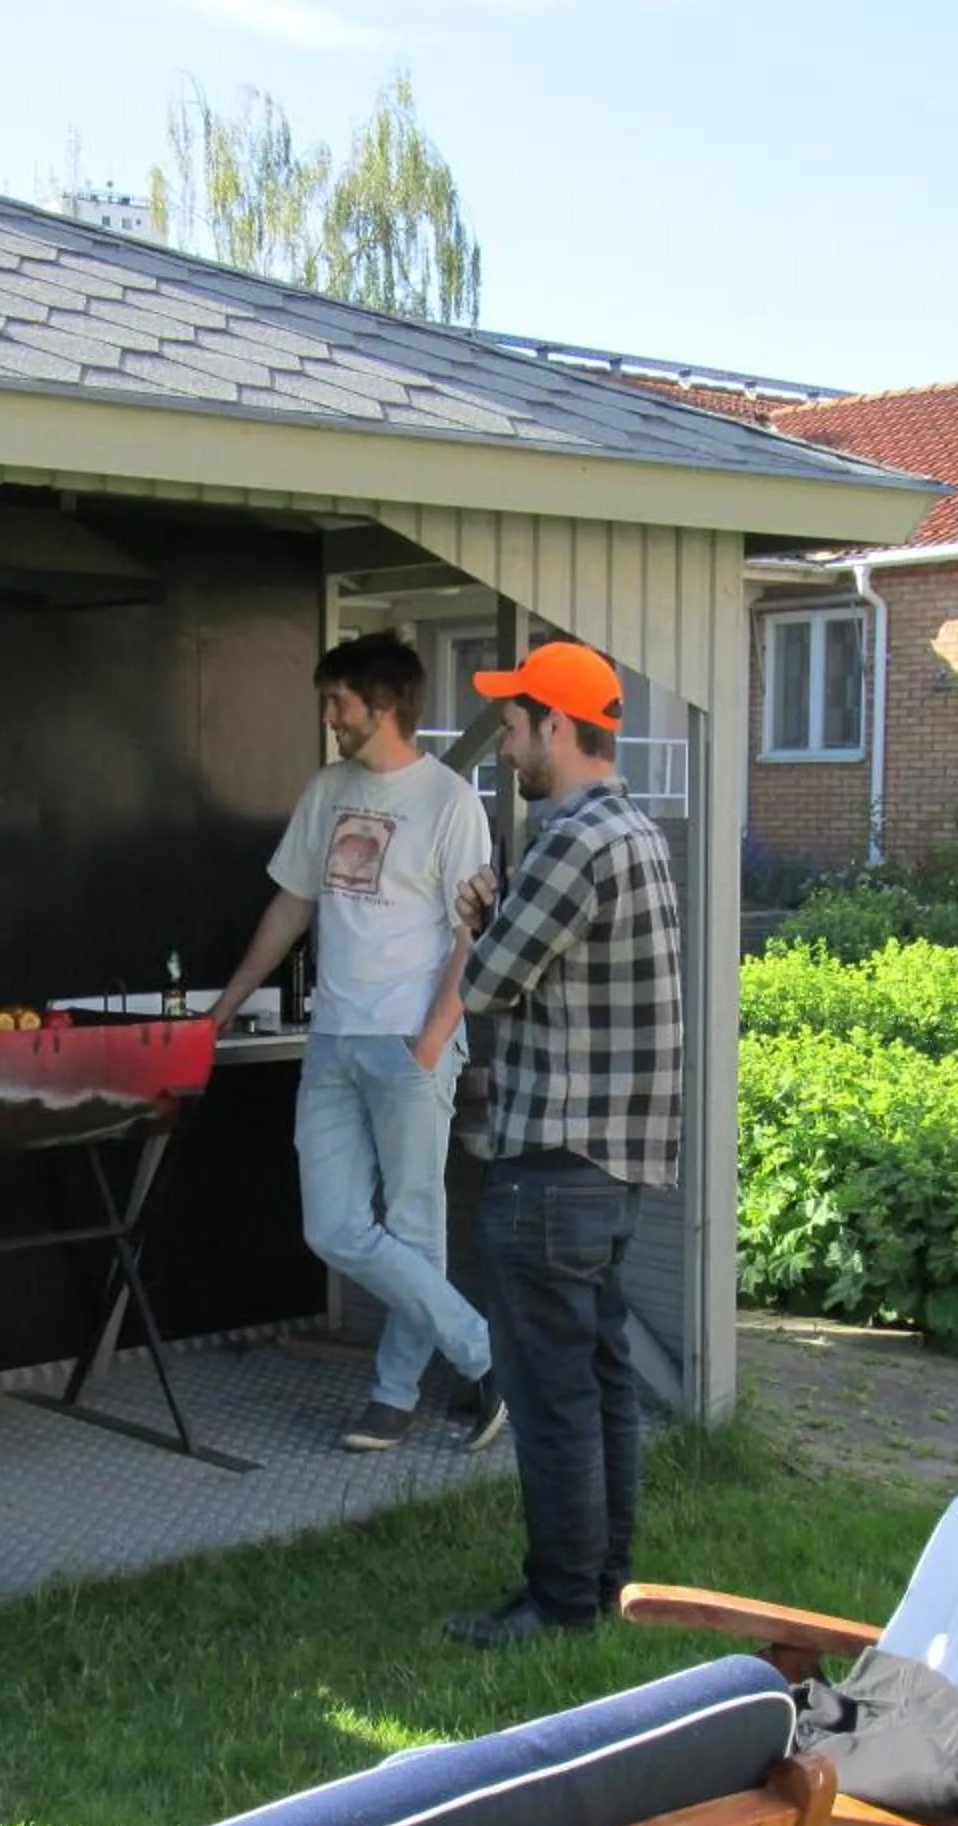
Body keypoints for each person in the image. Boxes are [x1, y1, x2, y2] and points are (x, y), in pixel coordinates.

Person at [212, 630, 507, 1454]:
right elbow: (291, 904)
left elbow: (471, 938)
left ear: (381, 706)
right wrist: (227, 1004)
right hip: (334, 1038)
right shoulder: (327, 789)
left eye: (337, 702)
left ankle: (393, 1396)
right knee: (333, 1227)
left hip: (411, 1039)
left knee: (414, 1226)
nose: (328, 715)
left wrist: (431, 1043)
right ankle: (482, 1352)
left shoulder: (450, 802)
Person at [443, 640, 684, 1649]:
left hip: (550, 1165)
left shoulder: (571, 840)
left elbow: (488, 984)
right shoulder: (636, 833)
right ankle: (604, 1583)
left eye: (513, 725)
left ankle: (558, 1602)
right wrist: (507, 918)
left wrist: (478, 920)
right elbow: (566, 970)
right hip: (612, 1169)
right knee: (600, 1384)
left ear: (556, 726)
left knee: (550, 1399)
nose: (505, 746)